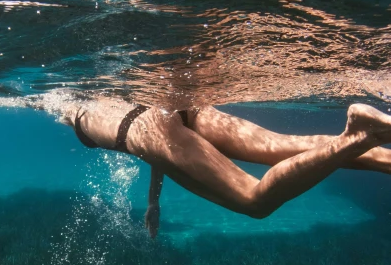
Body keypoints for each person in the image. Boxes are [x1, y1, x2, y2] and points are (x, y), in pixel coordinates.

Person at [57, 96, 391, 238]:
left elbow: (149, 142)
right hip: (177, 107)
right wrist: (153, 202)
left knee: (253, 200)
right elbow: (154, 148)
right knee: (281, 145)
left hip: (146, 130)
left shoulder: (72, 114)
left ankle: (355, 136)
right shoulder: (106, 94)